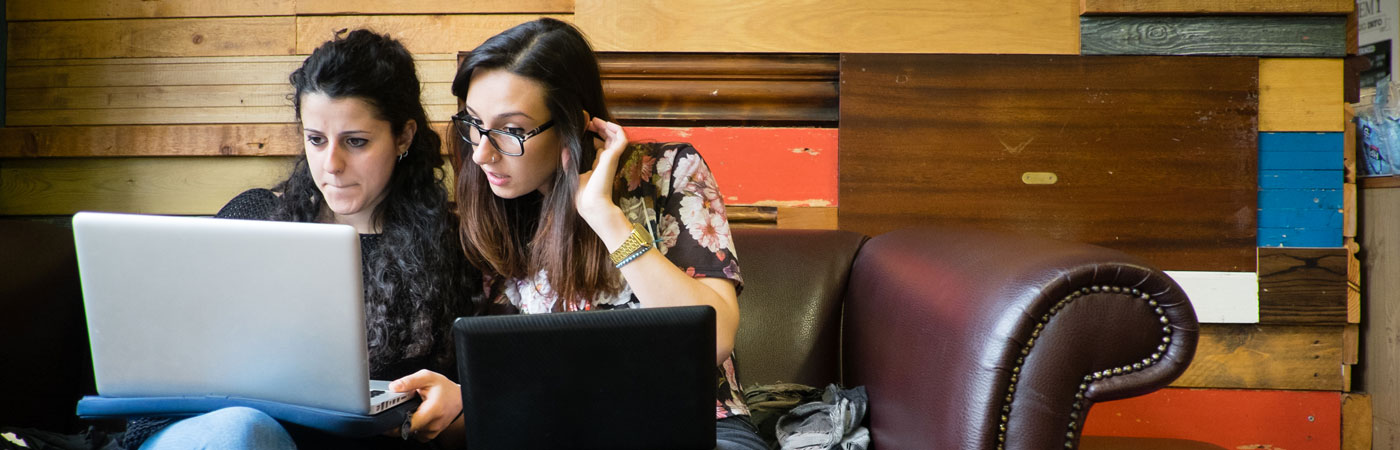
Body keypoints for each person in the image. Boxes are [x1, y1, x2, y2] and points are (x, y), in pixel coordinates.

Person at [409, 18, 767, 449]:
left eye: (512, 131)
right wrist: (467, 401)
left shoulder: (669, 172)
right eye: (473, 124)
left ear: (571, 123)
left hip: (694, 424)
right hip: (562, 430)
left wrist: (603, 215)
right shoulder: (495, 211)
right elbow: (515, 374)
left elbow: (713, 341)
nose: (482, 153)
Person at [124, 29, 482, 450]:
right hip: (217, 430)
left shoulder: (448, 248)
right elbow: (176, 357)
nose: (331, 163)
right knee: (240, 430)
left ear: (403, 136)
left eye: (356, 141)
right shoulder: (254, 217)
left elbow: (468, 411)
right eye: (316, 139)